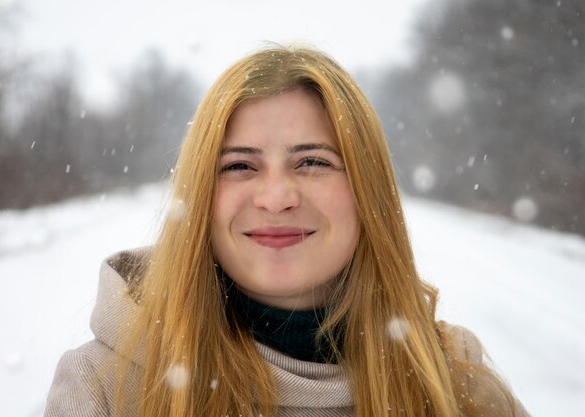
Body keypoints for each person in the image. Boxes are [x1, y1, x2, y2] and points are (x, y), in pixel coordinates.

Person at [44, 45, 530, 417]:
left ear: (368, 191)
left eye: (313, 161)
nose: (276, 197)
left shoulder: (452, 379)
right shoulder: (106, 387)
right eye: (238, 166)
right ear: (198, 201)